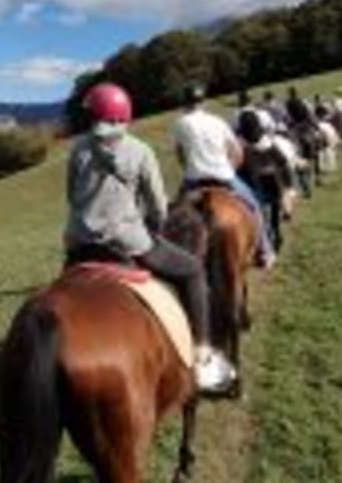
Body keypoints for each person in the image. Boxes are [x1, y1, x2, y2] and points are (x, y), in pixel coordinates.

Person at [64, 82, 238, 393]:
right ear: (124, 115)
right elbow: (158, 205)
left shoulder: (78, 148)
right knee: (193, 271)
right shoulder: (141, 151)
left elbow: (72, 198)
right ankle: (201, 353)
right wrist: (154, 227)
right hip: (126, 241)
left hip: (79, 241)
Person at [172, 82, 277, 270]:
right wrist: (231, 170)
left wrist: (191, 168)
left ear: (185, 103)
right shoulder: (218, 121)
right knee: (254, 205)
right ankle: (265, 251)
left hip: (193, 180)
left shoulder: (180, 122)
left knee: (173, 215)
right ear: (203, 102)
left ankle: (175, 258)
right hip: (224, 177)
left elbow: (180, 155)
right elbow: (237, 152)